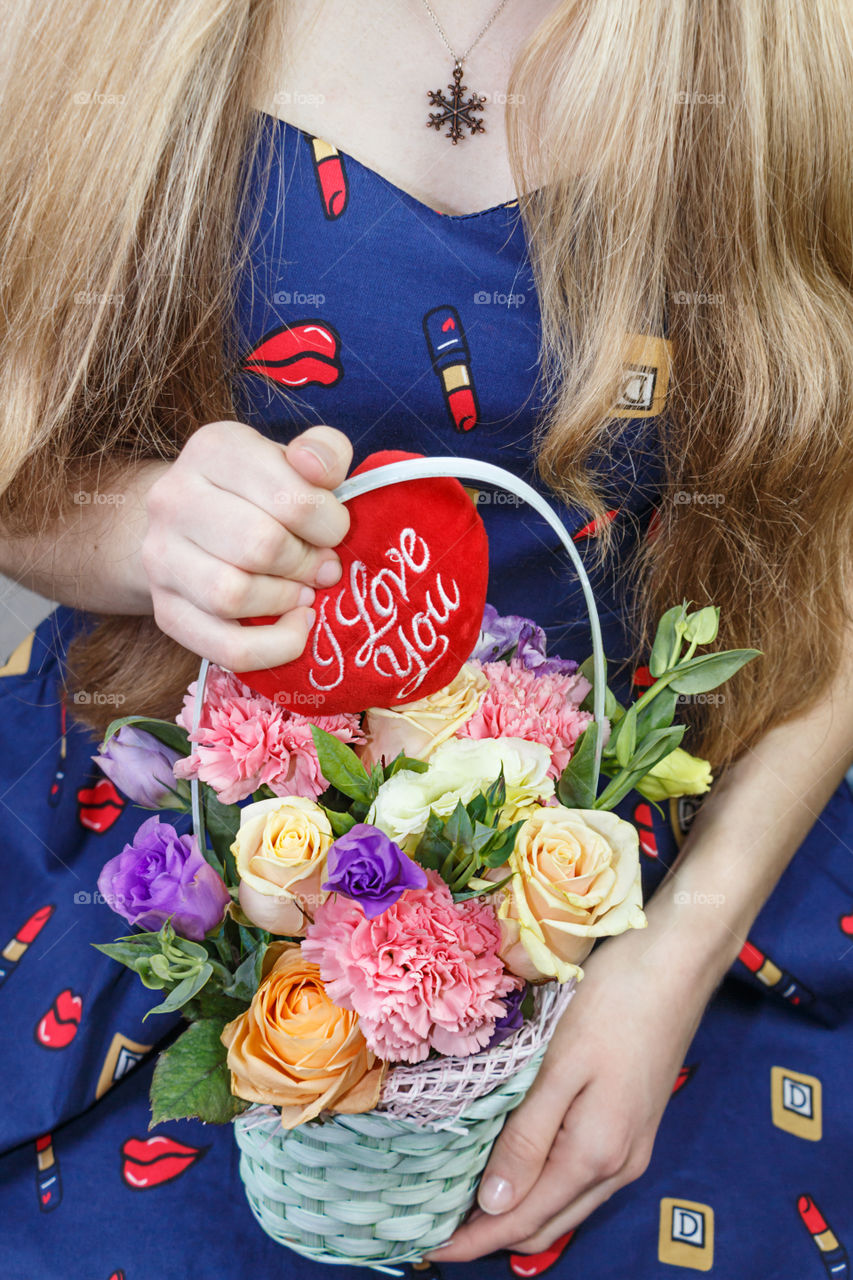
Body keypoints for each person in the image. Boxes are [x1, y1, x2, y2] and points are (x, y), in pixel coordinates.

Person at [2, 1, 853, 1276]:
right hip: (176, 835)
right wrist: (148, 535)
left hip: (686, 854)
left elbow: (829, 540)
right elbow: (22, 466)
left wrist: (674, 956)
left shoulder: (791, 40)